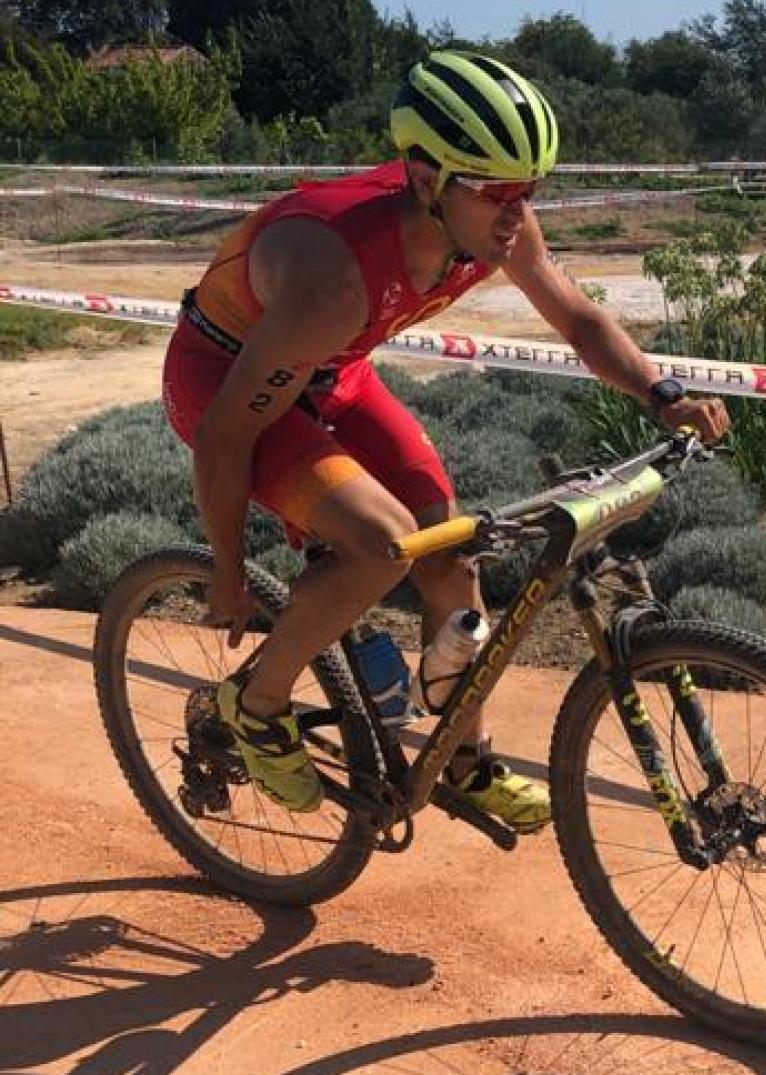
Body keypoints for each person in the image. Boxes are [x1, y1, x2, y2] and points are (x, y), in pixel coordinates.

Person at [160, 51, 730, 832]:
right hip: (225, 379)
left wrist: (662, 394)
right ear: (427, 180)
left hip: (331, 370)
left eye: (530, 190)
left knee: (451, 550)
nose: (516, 211)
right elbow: (225, 439)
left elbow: (579, 318)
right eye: (496, 190)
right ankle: (256, 708)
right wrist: (227, 576)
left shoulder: (491, 227)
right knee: (381, 545)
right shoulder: (336, 276)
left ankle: (462, 759)